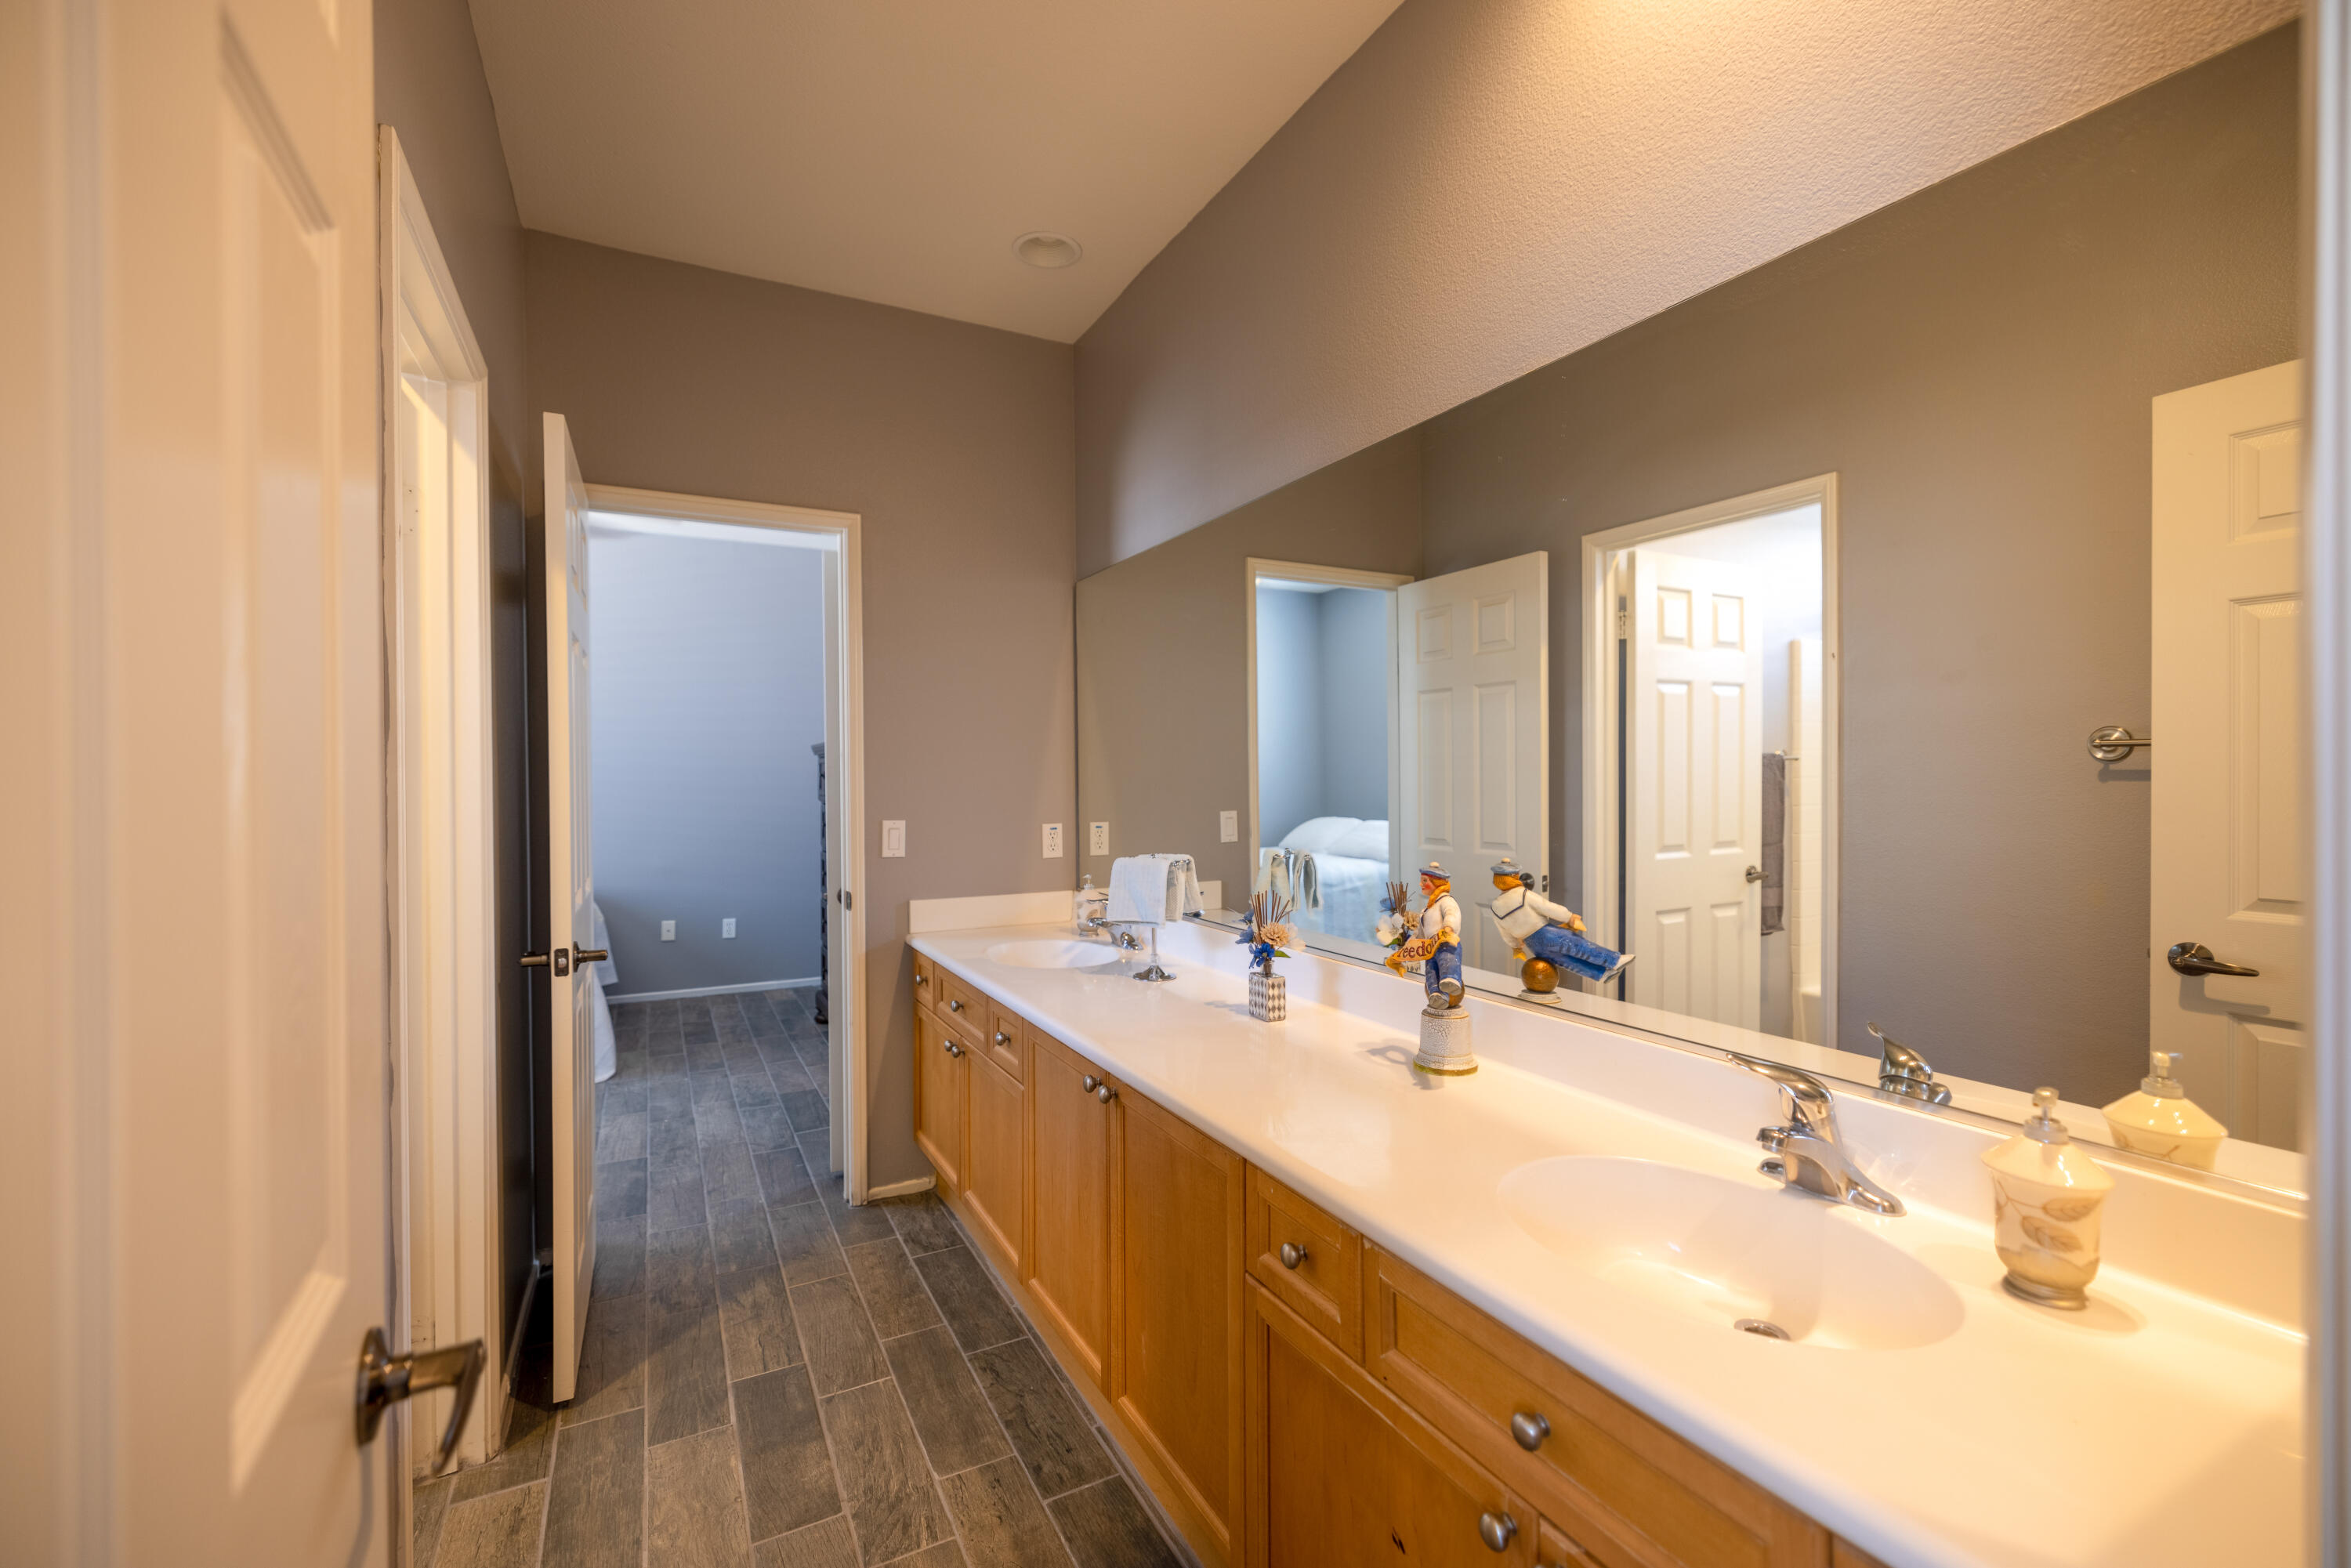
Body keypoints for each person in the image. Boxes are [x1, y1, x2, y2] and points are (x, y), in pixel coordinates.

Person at [1488, 859, 1632, 986]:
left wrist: (1516, 946)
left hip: (1533, 945)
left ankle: (1602, 974)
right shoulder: (1524, 895)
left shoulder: (1496, 905)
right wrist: (1568, 917)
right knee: (1580, 947)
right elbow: (1548, 908)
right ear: (1514, 877)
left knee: (1568, 962)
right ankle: (1613, 960)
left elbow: (1505, 932)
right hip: (1547, 934)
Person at [1385, 861, 1464, 1008]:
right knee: (1431, 971)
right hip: (1430, 949)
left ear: (1437, 882)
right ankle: (1436, 994)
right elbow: (1418, 935)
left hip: (1445, 943)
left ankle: (1451, 980)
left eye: (1425, 881)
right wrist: (1406, 950)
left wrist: (1448, 927)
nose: (1421, 884)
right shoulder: (1426, 911)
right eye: (1422, 881)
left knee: (1448, 961)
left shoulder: (1446, 901)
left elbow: (1452, 913)